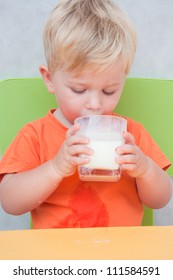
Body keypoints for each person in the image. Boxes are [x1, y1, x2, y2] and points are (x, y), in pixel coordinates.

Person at [0, 0, 172, 229]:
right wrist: (55, 168)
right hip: (56, 258)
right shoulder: (35, 135)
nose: (95, 104)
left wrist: (145, 169)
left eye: (109, 90)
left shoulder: (131, 135)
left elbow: (161, 200)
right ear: (50, 79)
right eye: (79, 90)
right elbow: (10, 203)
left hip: (121, 255)